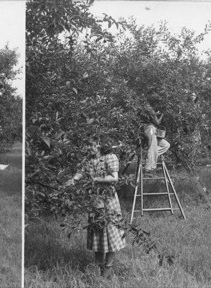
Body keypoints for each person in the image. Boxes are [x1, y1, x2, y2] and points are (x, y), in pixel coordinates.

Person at [68, 143, 126, 277]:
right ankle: (99, 267)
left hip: (108, 199)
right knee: (97, 232)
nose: (88, 147)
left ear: (99, 144)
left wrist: (95, 179)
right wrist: (73, 180)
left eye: (91, 145)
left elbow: (114, 177)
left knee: (111, 231)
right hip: (94, 199)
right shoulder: (88, 159)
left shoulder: (110, 157)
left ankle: (108, 267)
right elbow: (81, 172)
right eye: (87, 145)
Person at [139, 102, 170, 174]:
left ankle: (150, 155)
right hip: (150, 129)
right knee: (152, 148)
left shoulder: (145, 109)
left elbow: (150, 118)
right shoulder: (150, 110)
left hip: (149, 129)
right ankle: (148, 168)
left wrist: (155, 114)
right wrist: (162, 115)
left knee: (166, 145)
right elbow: (157, 122)